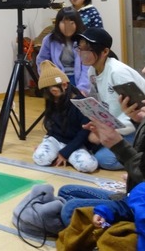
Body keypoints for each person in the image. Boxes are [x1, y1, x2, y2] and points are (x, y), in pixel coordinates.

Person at [57, 93, 145, 226]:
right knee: (66, 191)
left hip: (137, 207)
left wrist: (118, 145)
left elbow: (141, 174)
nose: (143, 70)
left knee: (69, 209)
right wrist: (137, 121)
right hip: (132, 196)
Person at [76, 27, 142, 170]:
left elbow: (137, 112)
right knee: (90, 143)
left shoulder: (117, 73)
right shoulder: (92, 71)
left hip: (134, 127)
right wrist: (98, 127)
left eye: (88, 48)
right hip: (116, 125)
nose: (82, 52)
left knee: (104, 160)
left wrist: (110, 133)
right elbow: (99, 105)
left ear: (105, 52)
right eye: (80, 47)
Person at [32, 60, 98, 173]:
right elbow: (52, 127)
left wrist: (65, 153)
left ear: (64, 85)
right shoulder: (53, 100)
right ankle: (54, 153)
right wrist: (46, 143)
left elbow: (83, 133)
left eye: (54, 92)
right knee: (40, 158)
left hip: (76, 142)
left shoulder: (81, 103)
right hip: (55, 139)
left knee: (87, 166)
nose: (54, 99)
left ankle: (64, 156)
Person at [36, 6, 90, 94]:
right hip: (56, 79)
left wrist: (83, 88)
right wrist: (49, 80)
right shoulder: (49, 39)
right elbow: (42, 61)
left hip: (77, 79)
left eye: (71, 23)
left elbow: (87, 67)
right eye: (63, 22)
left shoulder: (83, 40)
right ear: (57, 23)